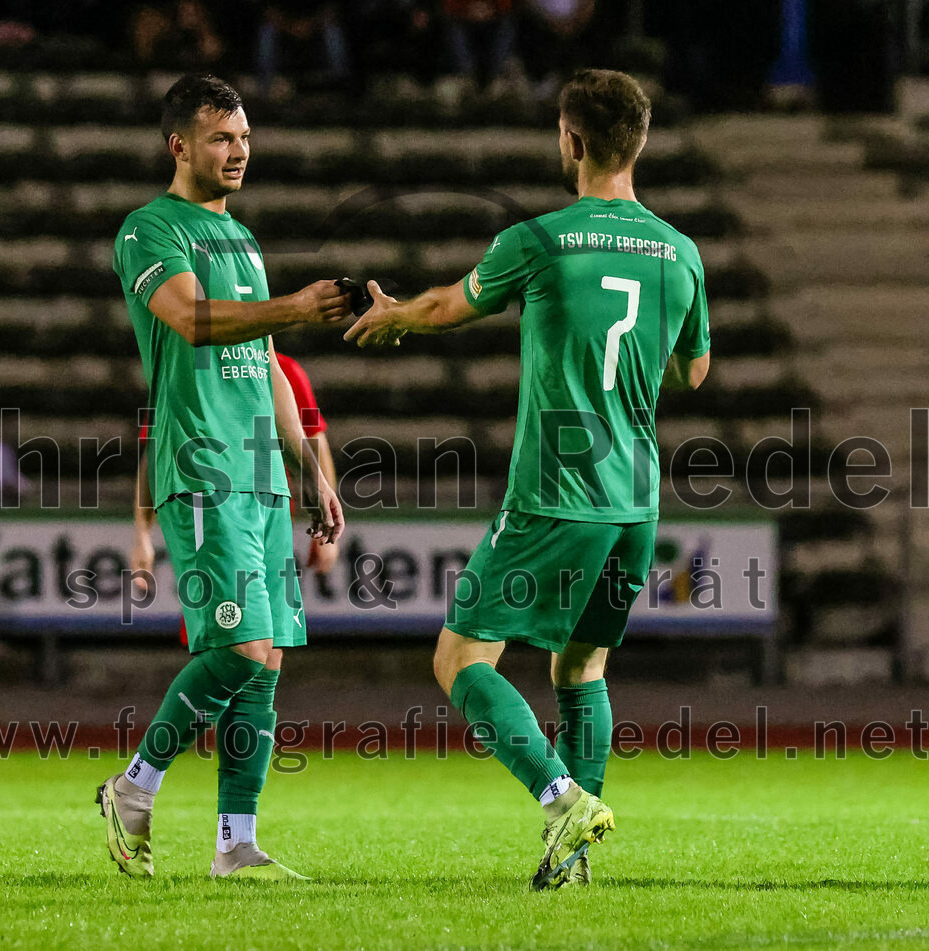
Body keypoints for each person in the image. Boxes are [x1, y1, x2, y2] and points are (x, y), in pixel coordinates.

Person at [346, 68, 710, 889]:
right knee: (580, 670)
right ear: (640, 143)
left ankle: (559, 797)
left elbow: (448, 305)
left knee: (459, 657)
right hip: (635, 501)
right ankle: (574, 860)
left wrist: (396, 314)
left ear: (570, 140)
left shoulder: (541, 240)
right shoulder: (682, 255)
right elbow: (695, 370)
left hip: (556, 494)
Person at [100, 72, 348, 882]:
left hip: (260, 475)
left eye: (243, 137)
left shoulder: (241, 238)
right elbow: (194, 320)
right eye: (221, 138)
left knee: (268, 657)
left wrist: (311, 466)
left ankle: (235, 843)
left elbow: (266, 363)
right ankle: (134, 788)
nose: (238, 151)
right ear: (180, 145)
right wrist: (298, 306)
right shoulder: (149, 229)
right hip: (202, 464)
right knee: (239, 646)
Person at [131, 350, 341, 647]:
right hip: (213, 525)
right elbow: (154, 454)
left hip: (272, 525)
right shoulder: (187, 368)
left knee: (273, 646)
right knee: (226, 645)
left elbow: (315, 443)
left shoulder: (285, 371)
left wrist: (324, 528)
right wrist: (142, 533)